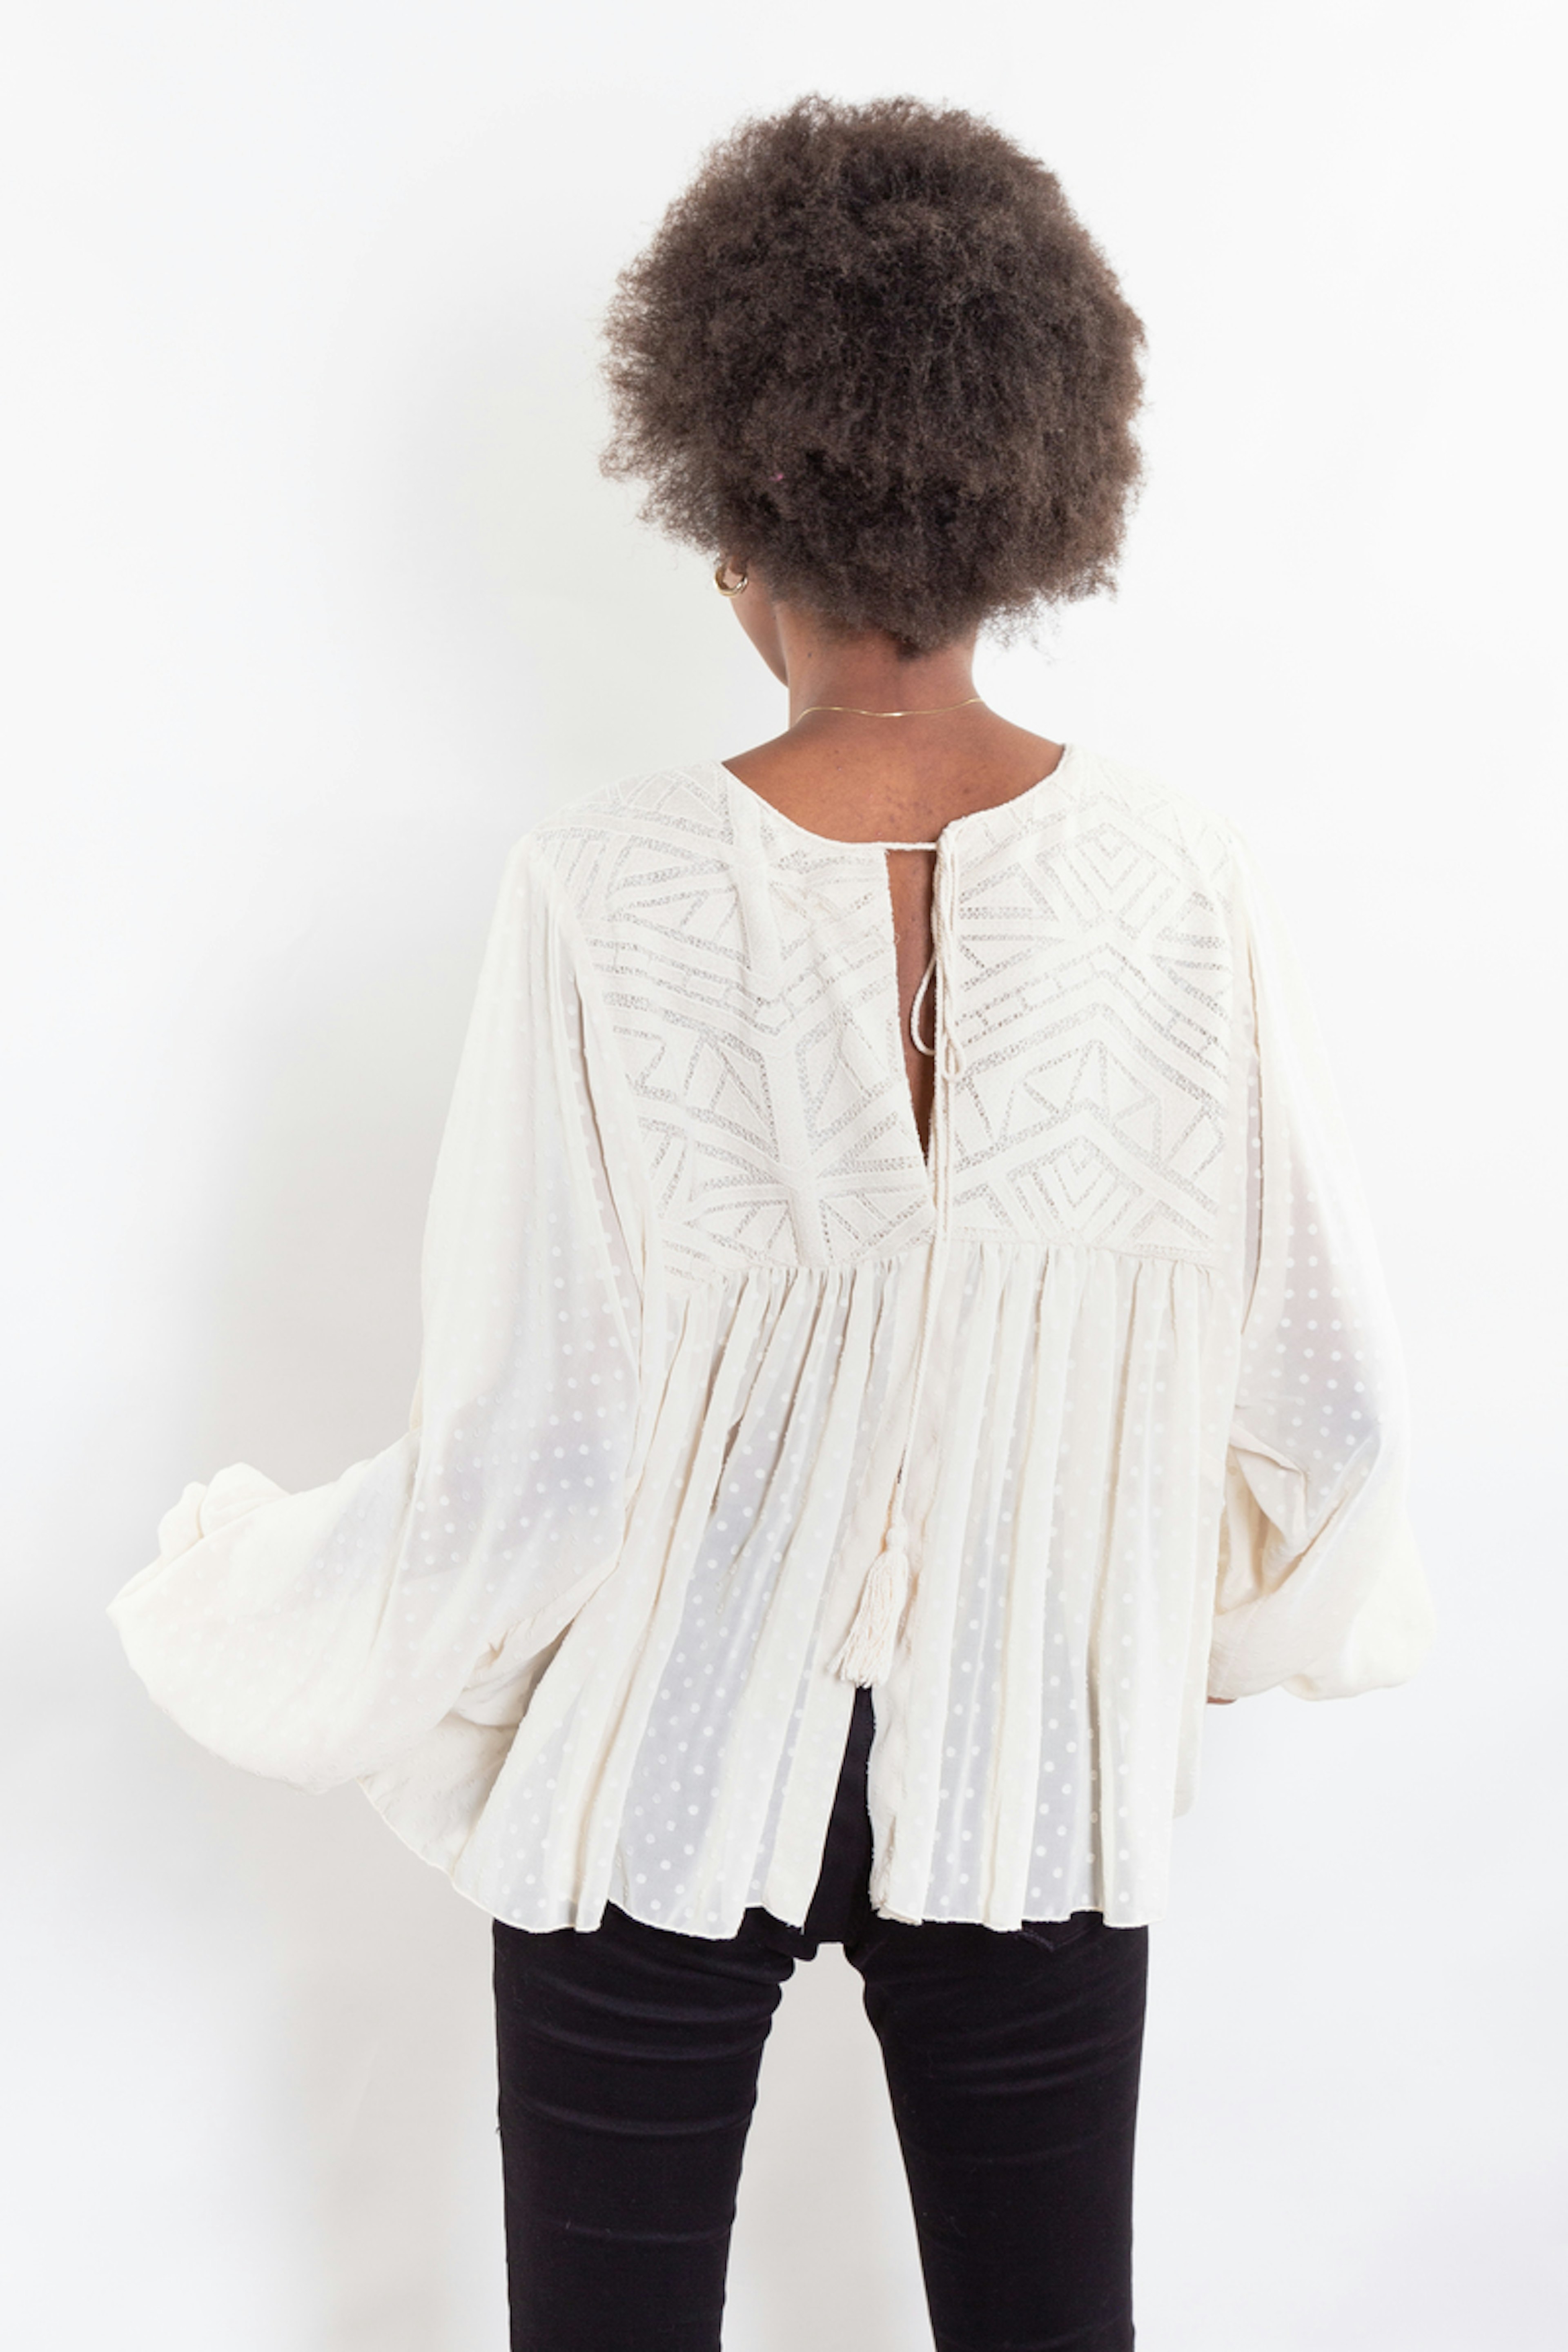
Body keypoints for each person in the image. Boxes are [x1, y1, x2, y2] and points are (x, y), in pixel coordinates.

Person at [110, 93, 1434, 2352]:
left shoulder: (605, 889)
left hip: (663, 1759)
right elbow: (1328, 1400)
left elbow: (532, 1446)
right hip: (1034, 1760)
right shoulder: (1178, 887)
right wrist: (1144, 1611)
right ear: (1026, 501)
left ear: (735, 512)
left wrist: (259, 1596)